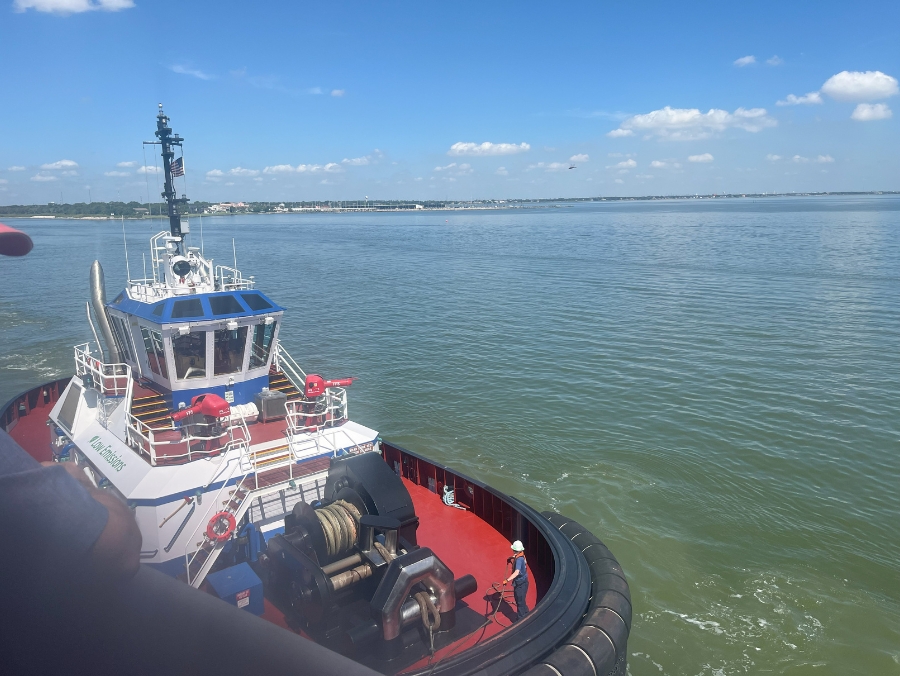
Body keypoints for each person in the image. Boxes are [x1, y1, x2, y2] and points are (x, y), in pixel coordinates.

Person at [503, 539, 529, 621]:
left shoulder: (519, 560)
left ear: (515, 550)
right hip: (524, 582)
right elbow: (518, 558)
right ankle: (527, 613)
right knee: (522, 599)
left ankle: (521, 619)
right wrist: (511, 558)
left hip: (520, 584)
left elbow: (517, 572)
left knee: (520, 602)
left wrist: (507, 580)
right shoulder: (522, 556)